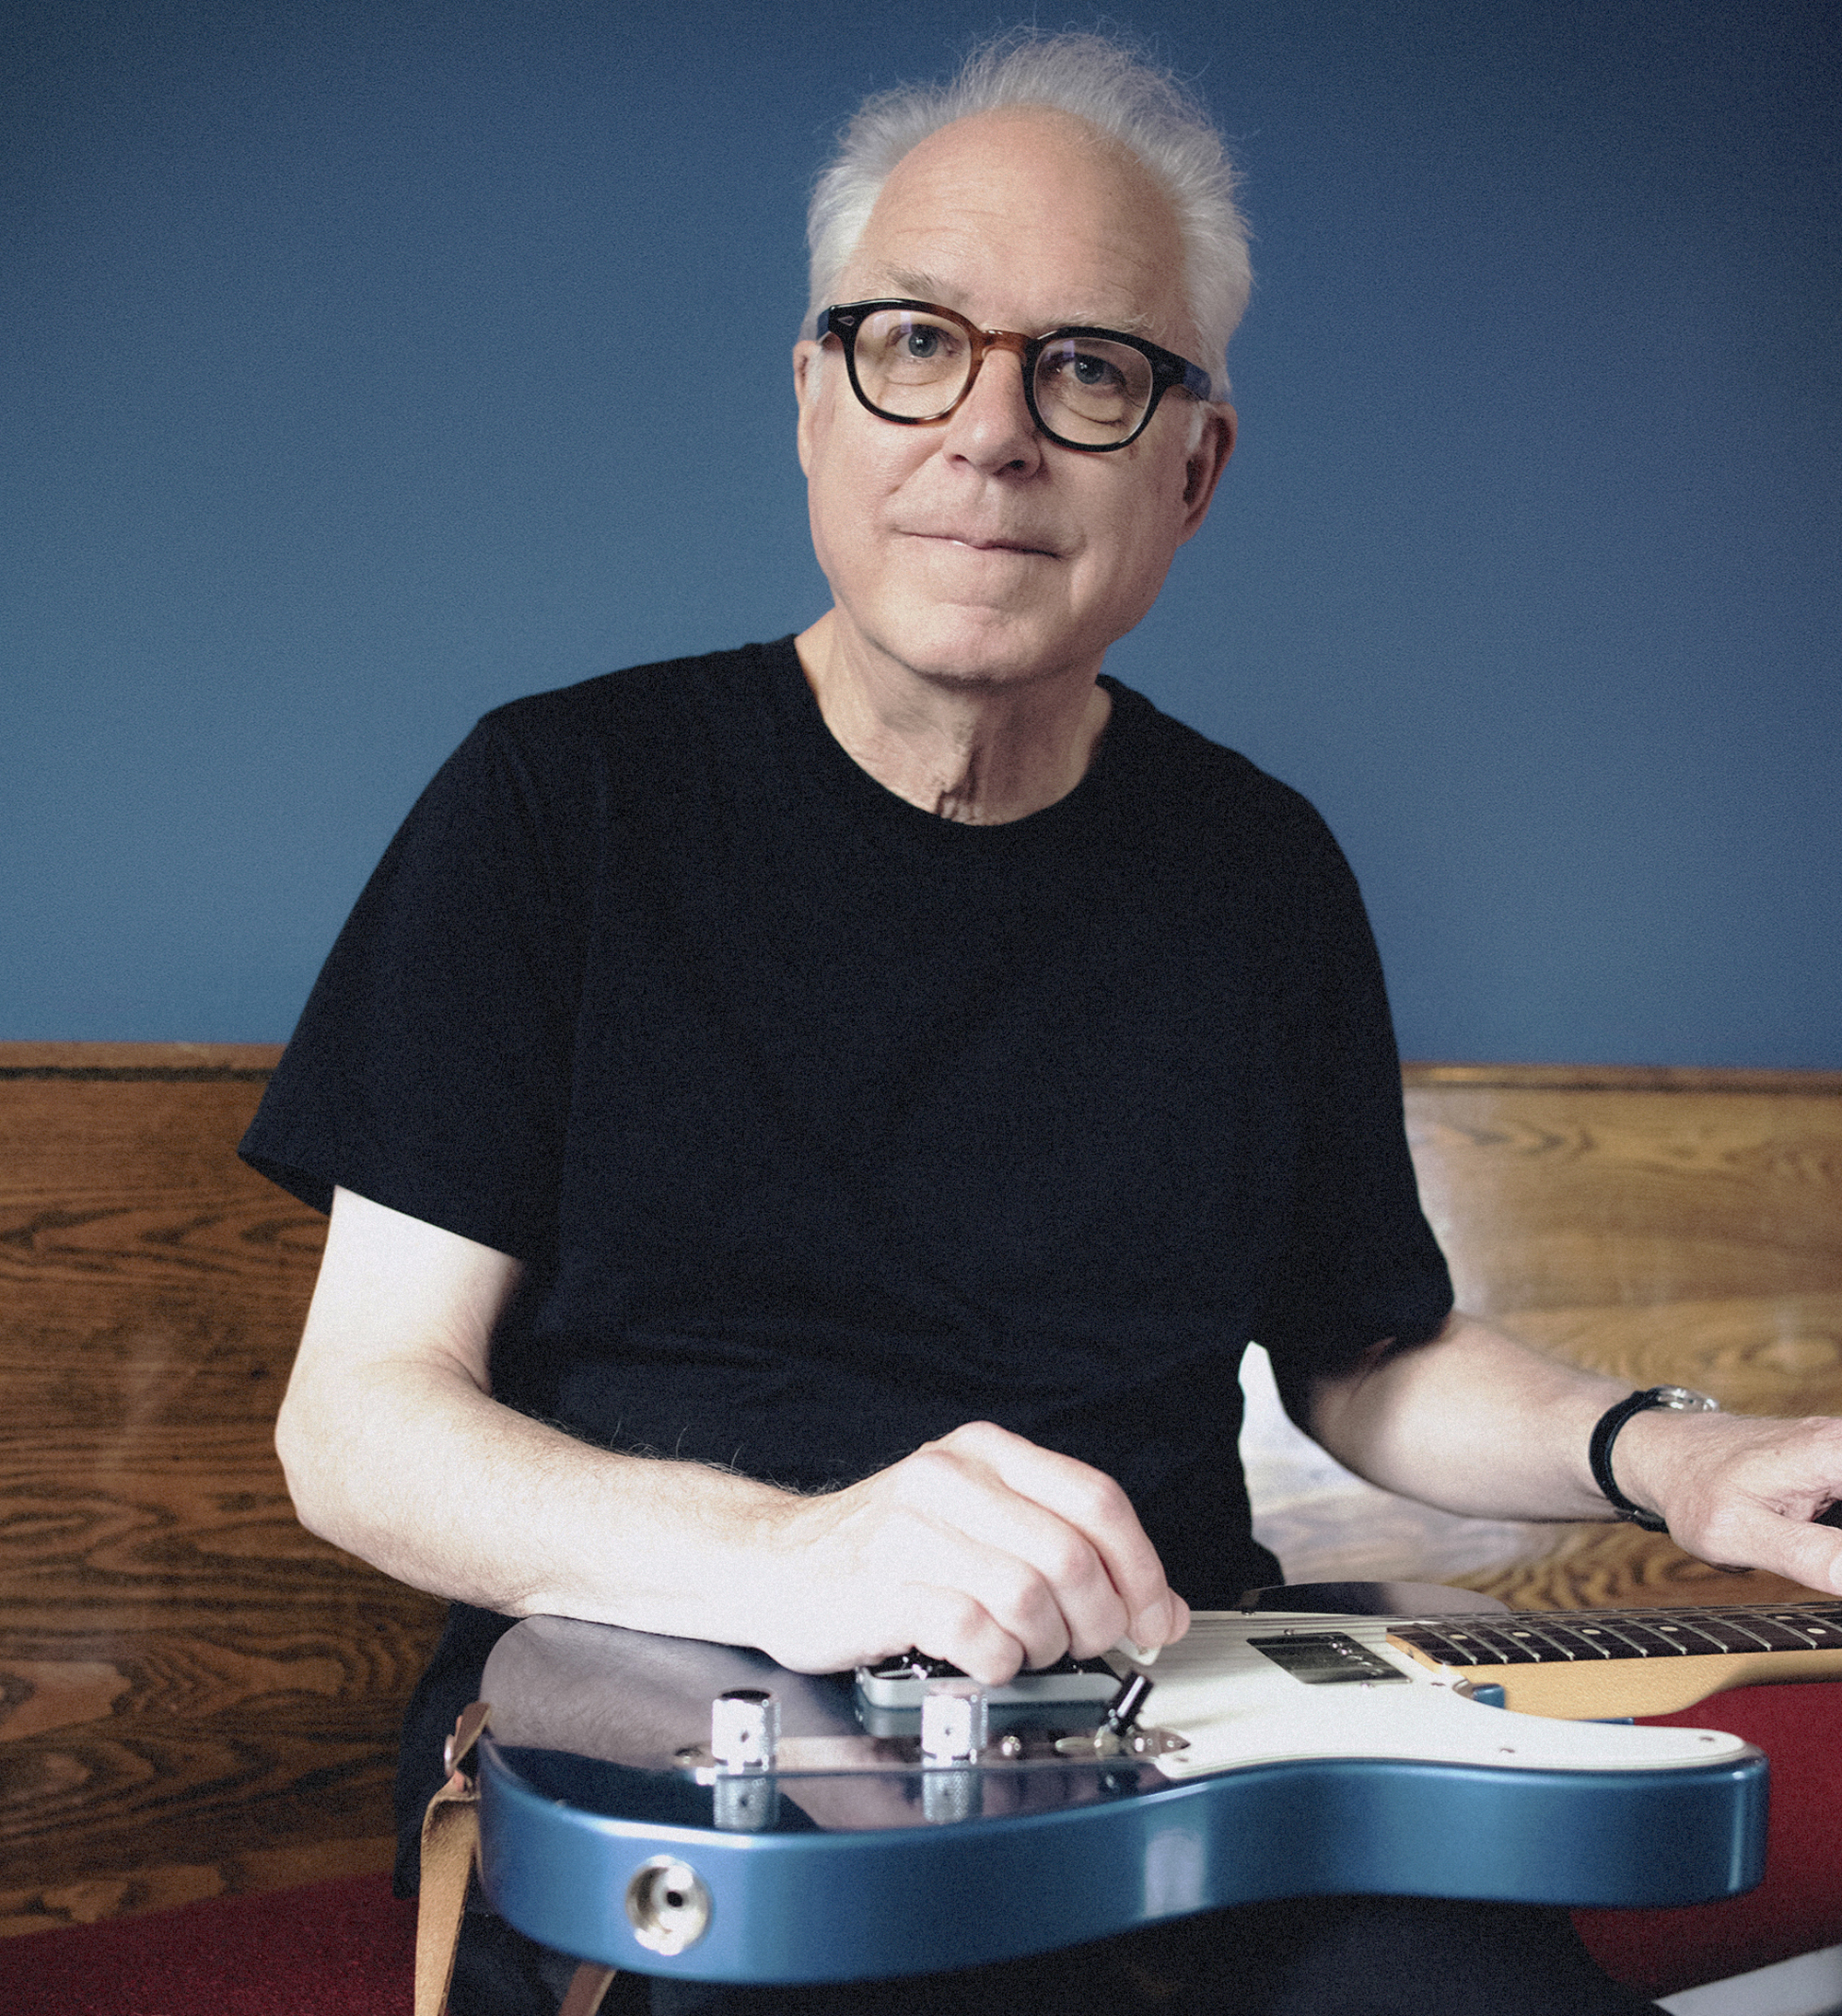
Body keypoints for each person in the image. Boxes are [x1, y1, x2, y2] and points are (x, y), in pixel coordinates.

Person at [240, 30, 1842, 2016]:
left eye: (1086, 368)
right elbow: (361, 1428)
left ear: (1195, 464)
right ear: (813, 402)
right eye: (915, 342)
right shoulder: (554, 802)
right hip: (698, 1750)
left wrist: (1668, 1459)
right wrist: (796, 1555)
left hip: (1195, 1743)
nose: (988, 432)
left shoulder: (1259, 867)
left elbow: (1367, 1354)